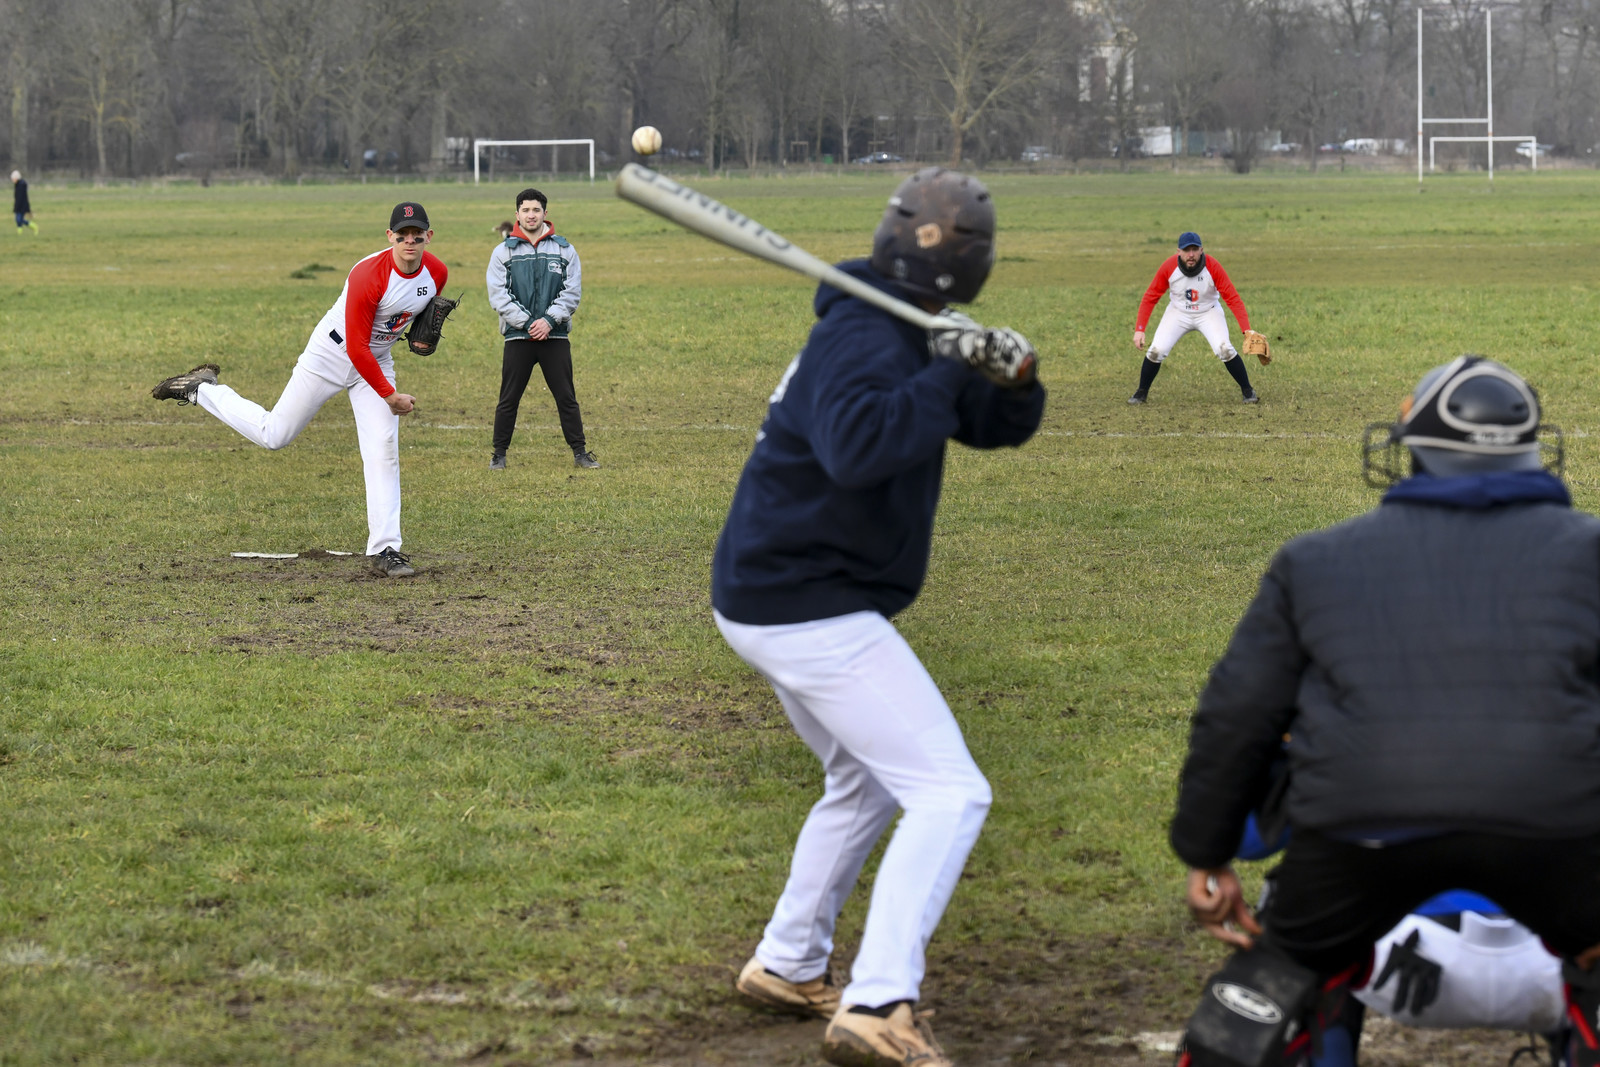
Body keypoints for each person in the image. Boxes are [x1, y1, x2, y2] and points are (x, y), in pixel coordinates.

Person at [1168, 355, 1600, 1067]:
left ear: (1417, 448)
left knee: (1271, 983)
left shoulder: (1316, 560)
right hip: (1553, 833)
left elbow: (1235, 716)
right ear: (1532, 448)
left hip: (1362, 839)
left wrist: (1206, 851)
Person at [713, 167, 1046, 1067]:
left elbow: (984, 422)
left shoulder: (910, 329)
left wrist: (1013, 379)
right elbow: (864, 445)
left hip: (781, 592)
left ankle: (788, 961)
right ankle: (878, 1000)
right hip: (803, 600)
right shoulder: (864, 333)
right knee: (950, 790)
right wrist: (944, 370)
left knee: (864, 778)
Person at [150, 201, 448, 578]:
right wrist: (389, 396)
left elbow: (412, 312)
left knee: (383, 450)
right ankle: (203, 390)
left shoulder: (437, 273)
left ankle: (386, 549)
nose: (410, 241)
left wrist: (417, 333)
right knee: (274, 434)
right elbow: (356, 349)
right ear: (389, 237)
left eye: (417, 235)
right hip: (332, 354)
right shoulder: (368, 276)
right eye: (402, 235)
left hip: (377, 360)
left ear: (428, 237)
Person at [485, 187, 595, 470]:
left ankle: (580, 452)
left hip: (554, 335)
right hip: (518, 336)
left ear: (545, 213)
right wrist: (527, 323)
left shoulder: (564, 249)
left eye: (536, 210)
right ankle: (499, 454)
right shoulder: (502, 252)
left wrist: (548, 321)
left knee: (566, 398)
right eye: (525, 210)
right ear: (517, 215)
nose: (531, 215)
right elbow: (499, 295)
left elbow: (571, 292)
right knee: (508, 399)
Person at [1129, 231, 1255, 405]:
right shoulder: (1169, 267)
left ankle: (1248, 391)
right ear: (1178, 251)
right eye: (1186, 250)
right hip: (1178, 312)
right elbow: (1151, 296)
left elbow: (1233, 298)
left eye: (1194, 249)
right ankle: (1141, 392)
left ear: (1201, 250)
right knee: (1156, 350)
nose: (1190, 254)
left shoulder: (1212, 266)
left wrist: (1246, 329)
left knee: (1224, 349)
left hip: (1208, 311)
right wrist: (1139, 330)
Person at [12, 170, 38, 234]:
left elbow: (21, 198)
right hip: (18, 206)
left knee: (19, 219)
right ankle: (33, 226)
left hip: (22, 206)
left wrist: (24, 207)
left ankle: (32, 227)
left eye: (13, 178)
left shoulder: (21, 185)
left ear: (17, 178)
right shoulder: (17, 185)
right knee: (19, 220)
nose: (12, 179)